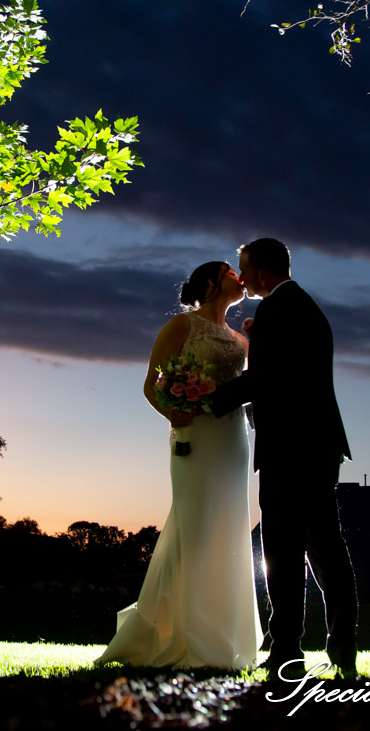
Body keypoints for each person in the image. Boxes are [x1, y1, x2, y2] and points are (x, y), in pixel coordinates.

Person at [96, 261, 263, 669]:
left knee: (229, 525)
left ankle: (226, 634)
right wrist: (173, 412)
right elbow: (151, 384)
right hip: (194, 436)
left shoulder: (240, 338)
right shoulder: (181, 326)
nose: (239, 277)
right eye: (230, 271)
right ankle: (185, 634)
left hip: (233, 440)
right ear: (209, 282)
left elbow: (254, 386)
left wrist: (258, 342)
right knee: (195, 524)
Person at [207, 237, 358, 683]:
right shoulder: (303, 307)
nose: (241, 277)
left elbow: (264, 379)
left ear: (261, 272)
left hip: (290, 449)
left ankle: (287, 651)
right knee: (325, 550)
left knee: (286, 553)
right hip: (317, 445)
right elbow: (292, 371)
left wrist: (209, 399)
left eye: (243, 269)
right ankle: (340, 649)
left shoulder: (278, 308)